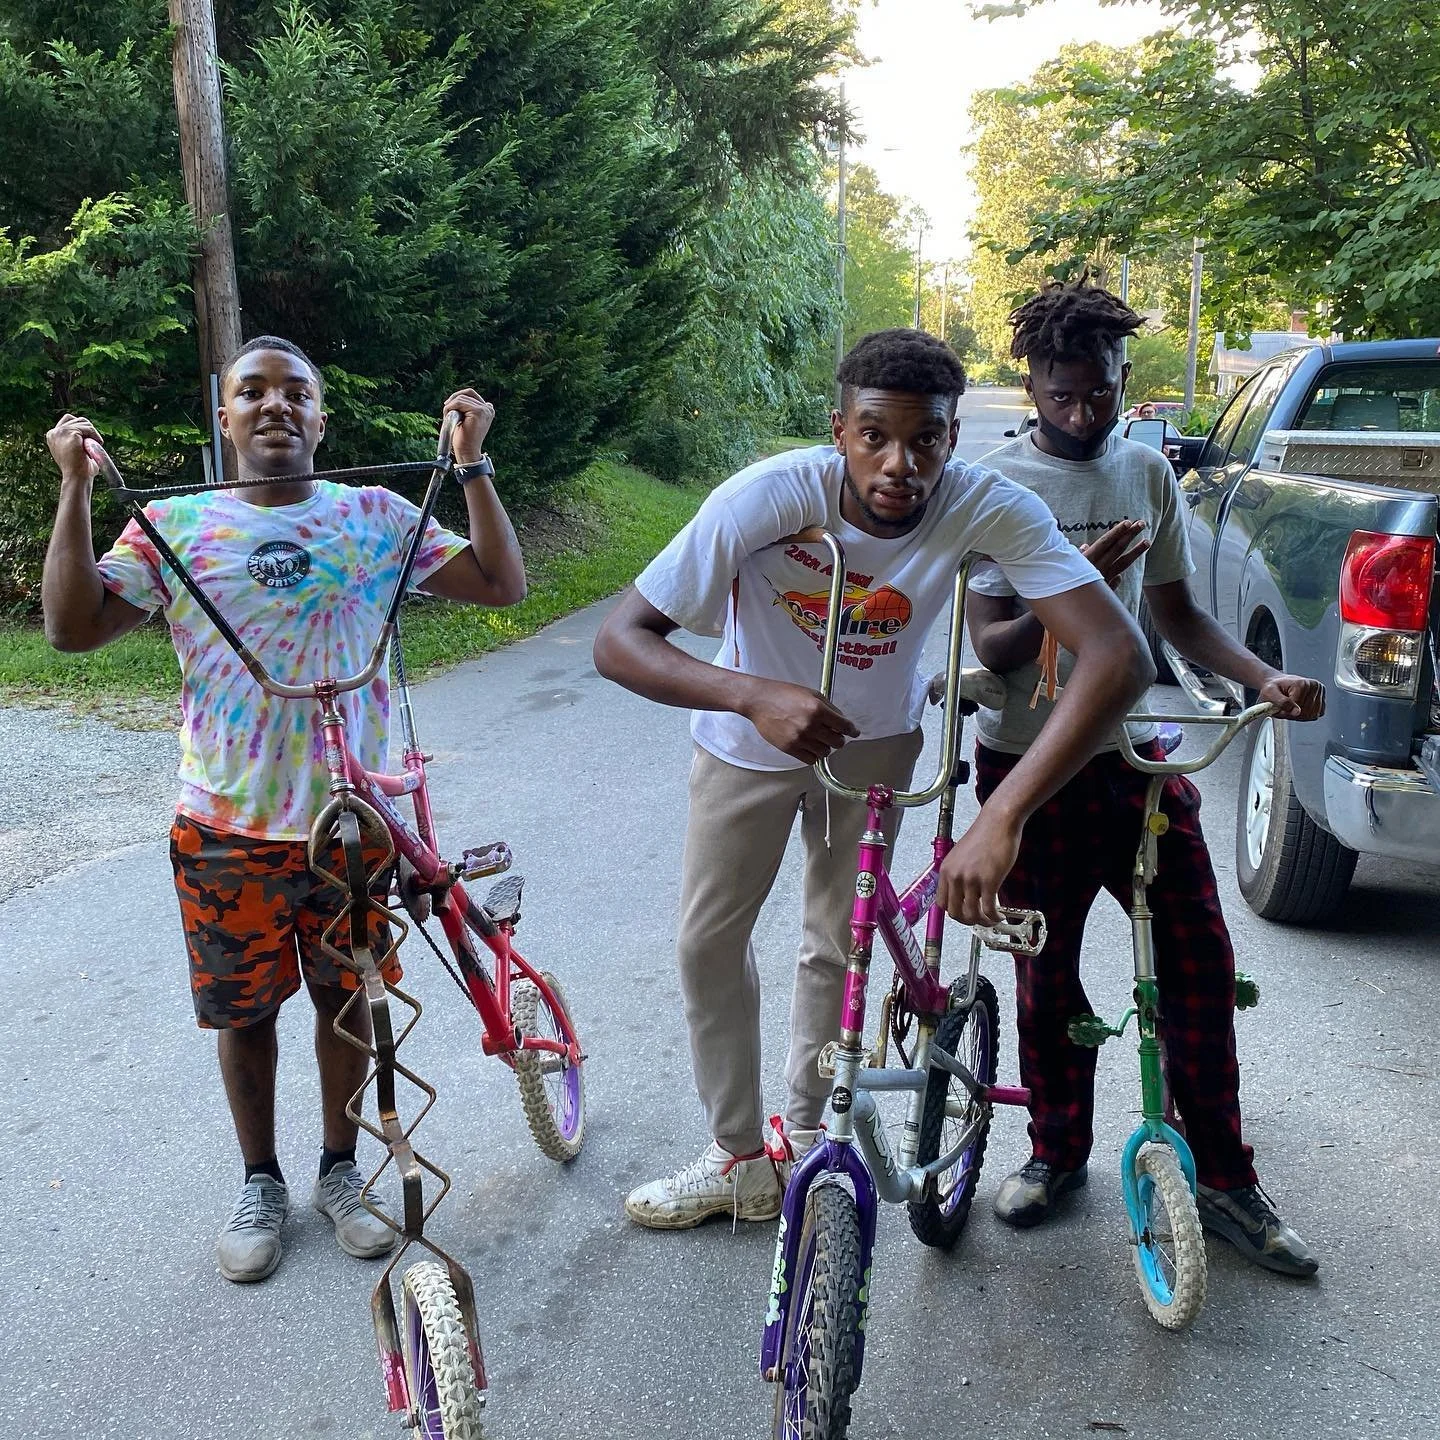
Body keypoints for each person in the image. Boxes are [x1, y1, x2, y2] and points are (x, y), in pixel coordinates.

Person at [592, 328, 1155, 1230]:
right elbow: (620, 641)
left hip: (878, 743)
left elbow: (1116, 656)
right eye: (874, 437)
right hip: (749, 741)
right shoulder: (768, 497)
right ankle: (738, 1155)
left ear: (953, 433)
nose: (902, 465)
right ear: (839, 429)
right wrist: (752, 694)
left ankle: (813, 1141)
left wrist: (1001, 815)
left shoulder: (983, 503)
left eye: (926, 439)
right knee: (707, 942)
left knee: (836, 941)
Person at [42, 336, 526, 1283]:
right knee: (246, 1012)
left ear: (320, 419)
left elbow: (501, 585)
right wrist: (76, 490)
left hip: (358, 824)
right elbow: (70, 628)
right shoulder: (173, 528)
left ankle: (340, 1173)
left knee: (354, 1001)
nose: (275, 407)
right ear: (222, 419)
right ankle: (259, 1180)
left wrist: (470, 466)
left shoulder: (379, 515)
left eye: (295, 393)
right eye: (251, 393)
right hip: (228, 827)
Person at [968, 277, 1323, 1275]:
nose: (1083, 415)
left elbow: (1177, 618)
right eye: (1063, 395)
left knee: (1201, 962)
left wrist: (1264, 677)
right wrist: (1069, 595)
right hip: (1024, 767)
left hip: (1133, 757)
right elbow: (992, 645)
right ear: (1032, 383)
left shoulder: (1145, 473)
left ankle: (1222, 1180)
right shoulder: (1000, 490)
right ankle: (1055, 1153)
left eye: (1103, 394)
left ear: (1126, 381)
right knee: (1047, 978)